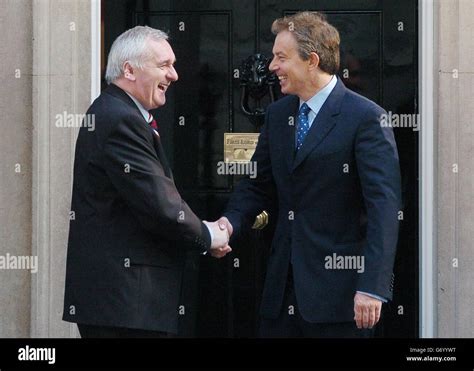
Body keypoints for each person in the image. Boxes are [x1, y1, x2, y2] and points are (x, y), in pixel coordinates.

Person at [217, 12, 401, 338]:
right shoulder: (277, 115)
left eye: (280, 57)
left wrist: (373, 287)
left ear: (312, 60)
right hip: (280, 297)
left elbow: (383, 210)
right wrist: (228, 224)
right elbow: (256, 185)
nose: (272, 66)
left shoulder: (366, 118)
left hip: (341, 299)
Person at [63, 26, 231, 338]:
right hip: (125, 305)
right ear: (129, 69)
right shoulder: (119, 119)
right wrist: (208, 235)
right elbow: (159, 203)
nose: (175, 75)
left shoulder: (118, 112)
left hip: (126, 304)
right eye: (164, 65)